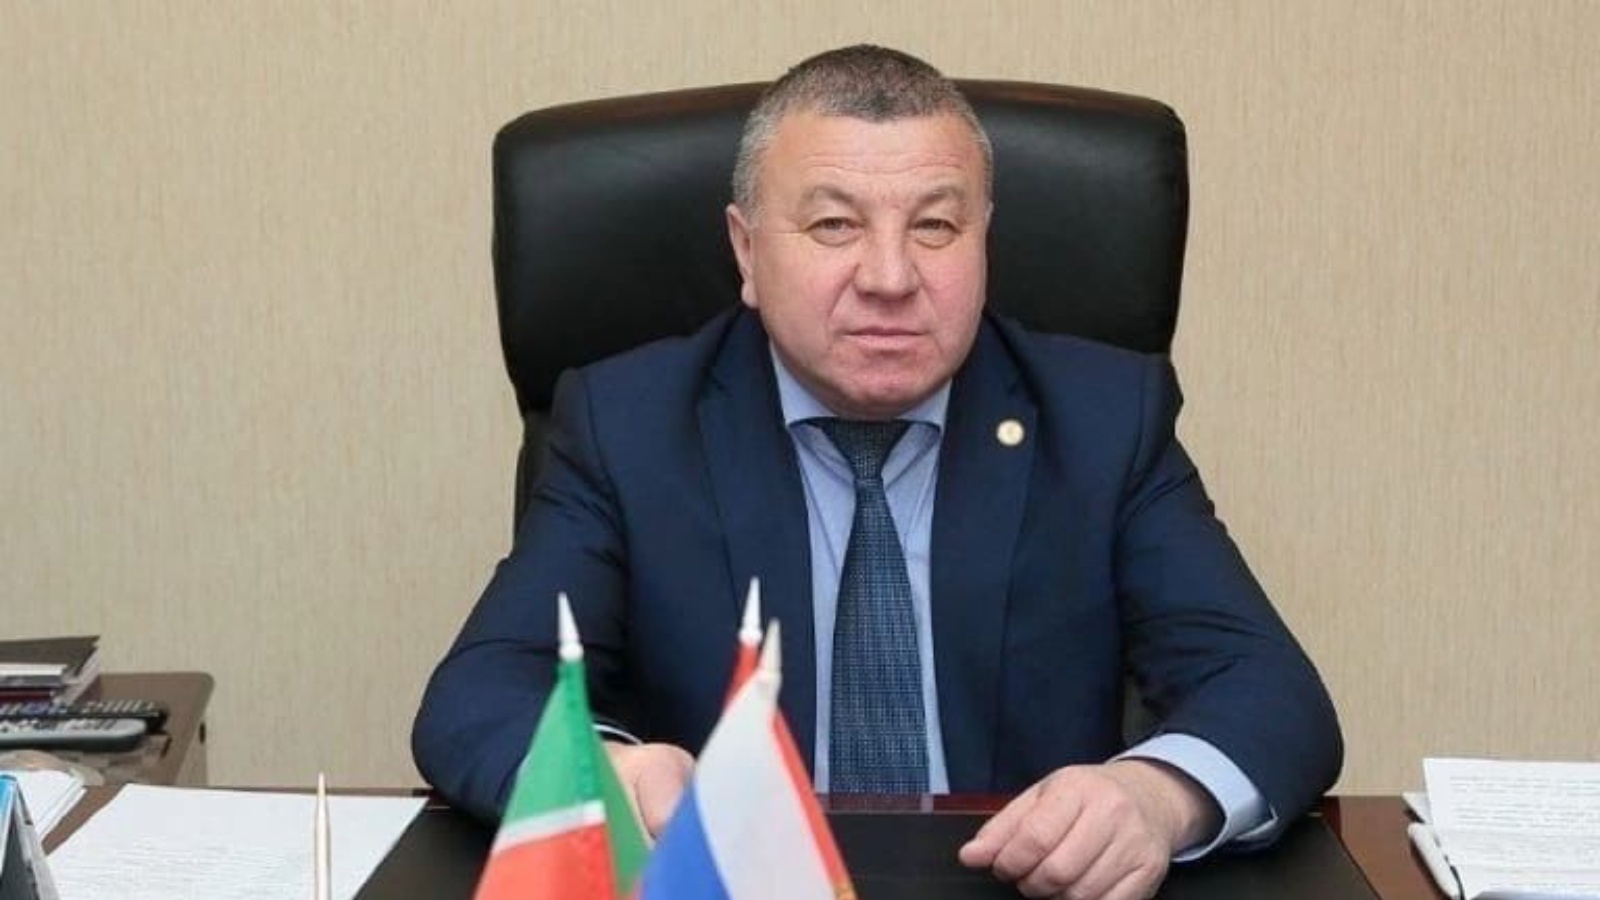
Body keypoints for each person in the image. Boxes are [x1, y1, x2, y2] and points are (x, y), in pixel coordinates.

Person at [414, 45, 1341, 900]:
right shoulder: (630, 424)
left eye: (935, 226)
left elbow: (1270, 691)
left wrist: (1156, 796)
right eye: (834, 224)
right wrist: (609, 776)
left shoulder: (1100, 420)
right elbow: (481, 694)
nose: (890, 277)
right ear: (747, 250)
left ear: (984, 240)